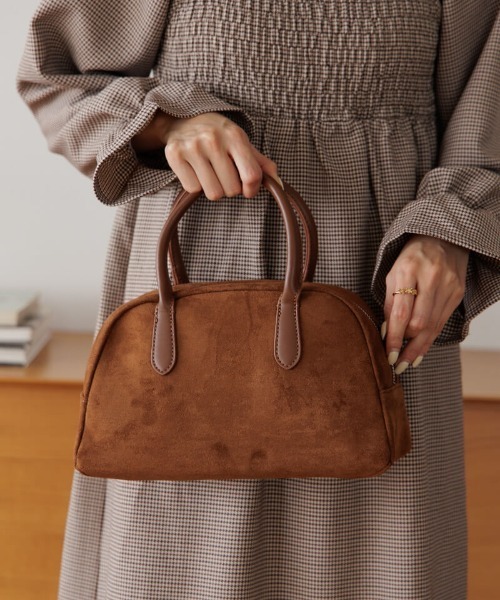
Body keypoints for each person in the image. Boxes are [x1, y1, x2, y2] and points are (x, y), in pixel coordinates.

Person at [17, 1, 500, 598]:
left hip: (382, 292)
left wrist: (448, 234)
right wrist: (168, 124)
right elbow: (56, 76)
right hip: (195, 294)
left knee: (380, 563)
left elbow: (487, 111)